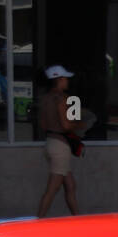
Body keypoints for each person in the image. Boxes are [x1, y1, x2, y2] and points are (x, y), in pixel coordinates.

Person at [36, 64, 81, 218]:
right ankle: (38, 220)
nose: (67, 81)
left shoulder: (44, 99)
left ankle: (77, 219)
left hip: (50, 143)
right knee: (52, 189)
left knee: (70, 185)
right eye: (65, 79)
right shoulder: (63, 99)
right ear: (60, 80)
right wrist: (79, 123)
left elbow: (42, 124)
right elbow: (66, 125)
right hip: (61, 146)